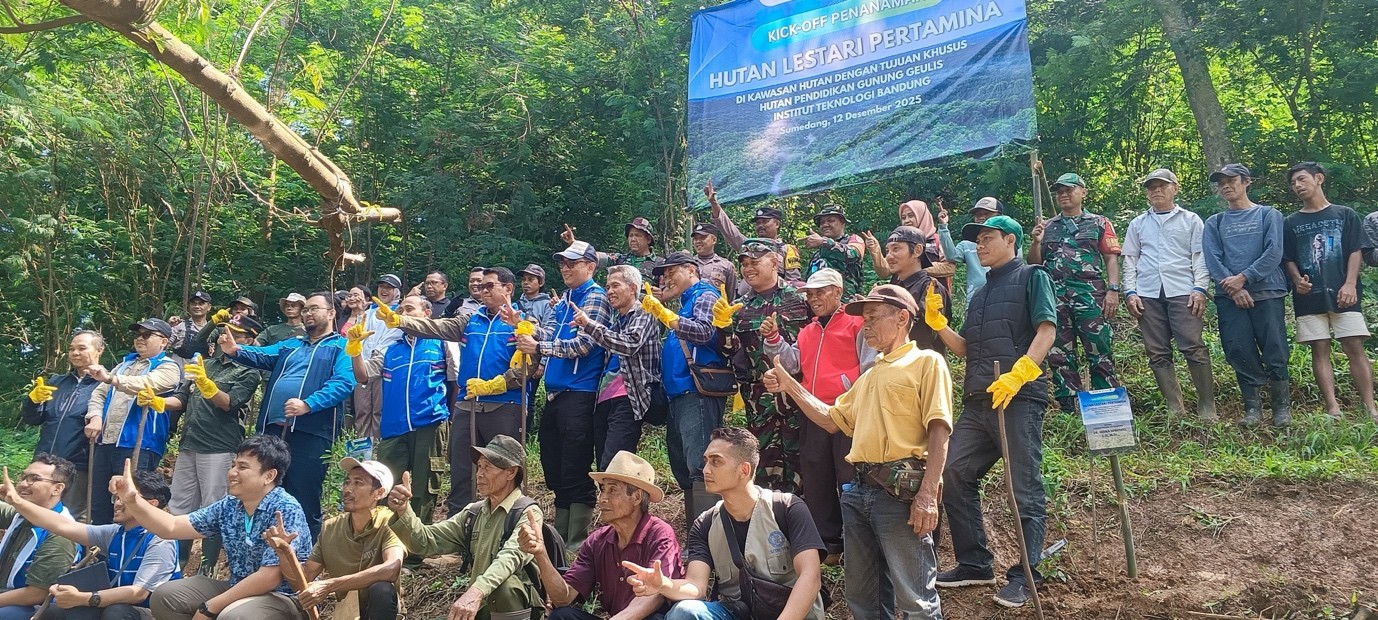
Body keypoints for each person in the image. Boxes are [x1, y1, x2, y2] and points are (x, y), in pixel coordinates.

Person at [766, 284, 953, 619]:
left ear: (902, 318)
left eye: (873, 317)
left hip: (899, 494)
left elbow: (939, 429)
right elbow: (829, 419)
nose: (865, 326)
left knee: (915, 599)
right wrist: (789, 384)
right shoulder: (868, 378)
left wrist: (928, 493)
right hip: (857, 491)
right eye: (863, 319)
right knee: (863, 597)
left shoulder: (926, 362)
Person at [928, 215, 1057, 608]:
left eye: (987, 238)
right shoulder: (981, 293)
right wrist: (938, 324)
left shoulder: (1032, 277)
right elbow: (967, 347)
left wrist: (1021, 374)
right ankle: (974, 564)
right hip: (980, 399)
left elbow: (1046, 330)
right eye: (977, 240)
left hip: (1017, 397)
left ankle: (1025, 575)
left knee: (1023, 487)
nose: (979, 245)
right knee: (954, 470)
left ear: (1011, 240)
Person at [622, 427, 826, 620]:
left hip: (791, 614)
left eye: (716, 461)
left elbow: (810, 575)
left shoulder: (787, 507)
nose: (705, 470)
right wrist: (663, 584)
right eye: (706, 461)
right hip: (737, 613)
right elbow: (696, 586)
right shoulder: (705, 524)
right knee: (684, 611)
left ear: (744, 470)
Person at [380, 269, 527, 515]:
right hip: (466, 405)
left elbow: (530, 363)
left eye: (490, 286)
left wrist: (499, 383)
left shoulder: (522, 321)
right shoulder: (470, 319)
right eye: (481, 287)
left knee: (504, 470)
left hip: (504, 405)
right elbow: (436, 326)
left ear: (508, 289)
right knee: (462, 471)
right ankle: (459, 532)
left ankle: (506, 526)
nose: (484, 291)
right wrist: (401, 321)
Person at [121, 435, 312, 620]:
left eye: (242, 467)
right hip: (237, 587)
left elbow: (270, 577)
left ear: (269, 475)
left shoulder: (285, 508)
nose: (232, 473)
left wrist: (210, 606)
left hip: (282, 597)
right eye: (233, 465)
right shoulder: (230, 505)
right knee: (166, 597)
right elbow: (171, 527)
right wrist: (133, 500)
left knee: (234, 616)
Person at [762, 268, 876, 563]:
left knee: (849, 475)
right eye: (810, 293)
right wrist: (774, 338)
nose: (814, 298)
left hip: (848, 412)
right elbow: (793, 363)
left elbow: (870, 366)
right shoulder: (808, 331)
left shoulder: (857, 323)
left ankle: (858, 542)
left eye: (820, 292)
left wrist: (856, 399)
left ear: (838, 292)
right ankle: (830, 543)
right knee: (816, 474)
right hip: (812, 410)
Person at [221, 292, 356, 538]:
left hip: (311, 431)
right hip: (273, 430)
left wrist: (309, 404)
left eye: (314, 308)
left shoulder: (341, 346)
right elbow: (262, 355)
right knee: (266, 490)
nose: (308, 313)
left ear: (331, 313)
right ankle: (264, 548)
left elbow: (344, 382)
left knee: (304, 493)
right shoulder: (292, 344)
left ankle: (306, 559)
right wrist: (235, 350)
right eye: (305, 309)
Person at [509, 241, 612, 555]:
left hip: (580, 394)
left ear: (591, 266)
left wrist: (539, 347)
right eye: (562, 263)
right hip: (555, 394)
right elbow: (549, 333)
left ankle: (576, 541)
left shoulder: (596, 297)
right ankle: (561, 536)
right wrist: (523, 326)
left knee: (575, 465)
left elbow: (585, 344)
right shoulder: (566, 298)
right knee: (554, 465)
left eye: (572, 263)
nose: (565, 268)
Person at [150, 314, 264, 572]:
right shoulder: (206, 363)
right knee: (180, 504)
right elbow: (181, 398)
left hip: (219, 445)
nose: (225, 336)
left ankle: (207, 567)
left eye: (233, 333)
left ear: (248, 339)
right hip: (189, 443)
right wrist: (157, 401)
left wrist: (207, 384)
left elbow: (229, 403)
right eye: (224, 331)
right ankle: (177, 564)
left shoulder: (248, 370)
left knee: (214, 505)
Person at [386, 435, 543, 620]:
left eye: (488, 467)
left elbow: (509, 558)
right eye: (479, 467)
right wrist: (404, 511)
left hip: (513, 610)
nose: (479, 474)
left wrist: (475, 592)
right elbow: (426, 541)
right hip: (480, 608)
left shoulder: (528, 512)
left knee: (505, 587)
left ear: (510, 473)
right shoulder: (474, 513)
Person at [1, 468, 179, 620]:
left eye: (124, 498)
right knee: (53, 612)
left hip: (150, 611)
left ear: (151, 504)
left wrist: (84, 598)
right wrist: (16, 501)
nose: (117, 503)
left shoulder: (160, 539)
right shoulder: (114, 532)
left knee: (116, 613)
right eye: (116, 498)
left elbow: (138, 593)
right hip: (110, 601)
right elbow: (62, 525)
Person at [520, 451, 680, 620]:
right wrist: (540, 553)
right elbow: (563, 598)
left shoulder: (660, 533)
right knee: (562, 616)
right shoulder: (597, 541)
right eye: (602, 490)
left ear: (637, 496)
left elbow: (654, 595)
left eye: (612, 490)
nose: (602, 498)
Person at [1283, 162, 1376, 421]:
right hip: (1308, 296)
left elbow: (1355, 250)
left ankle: (1370, 407)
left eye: (1301, 179)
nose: (1298, 186)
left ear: (1319, 178)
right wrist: (1295, 279)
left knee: (1354, 345)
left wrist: (1349, 283)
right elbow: (1287, 257)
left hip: (1344, 293)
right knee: (1319, 347)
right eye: (1293, 183)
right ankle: (1333, 408)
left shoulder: (1344, 214)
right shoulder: (1291, 222)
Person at [1121, 168, 1216, 420]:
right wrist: (1130, 291)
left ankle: (1207, 407)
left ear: (1175, 187)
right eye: (1151, 187)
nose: (1157, 191)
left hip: (1183, 289)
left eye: (1162, 185)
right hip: (1147, 293)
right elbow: (1130, 259)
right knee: (1156, 351)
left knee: (1193, 346)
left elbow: (1200, 256)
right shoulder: (1138, 224)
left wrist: (1200, 288)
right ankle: (1175, 408)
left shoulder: (1191, 220)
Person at [350, 295, 451, 527]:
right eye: (401, 308)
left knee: (423, 488)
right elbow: (363, 375)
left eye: (410, 308)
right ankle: (385, 542)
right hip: (393, 427)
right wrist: (355, 350)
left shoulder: (441, 343)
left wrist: (447, 416)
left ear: (427, 314)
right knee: (385, 485)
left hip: (430, 421)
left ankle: (415, 551)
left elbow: (455, 381)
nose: (403, 312)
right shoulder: (390, 350)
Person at [1202, 164, 1291, 427]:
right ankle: (1253, 409)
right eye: (1221, 182)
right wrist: (1235, 288)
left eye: (1231, 180)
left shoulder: (1268, 215)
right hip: (1229, 297)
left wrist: (1244, 278)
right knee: (1238, 348)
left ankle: (1281, 408)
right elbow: (1212, 258)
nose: (1226, 186)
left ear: (1246, 182)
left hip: (1267, 293)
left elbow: (1274, 252)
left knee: (1275, 347)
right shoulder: (1215, 222)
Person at [720, 239, 812, 494]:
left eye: (754, 262)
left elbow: (815, 342)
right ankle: (768, 525)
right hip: (759, 402)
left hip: (796, 398)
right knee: (763, 469)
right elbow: (730, 352)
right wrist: (723, 326)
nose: (748, 269)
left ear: (774, 262)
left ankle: (805, 525)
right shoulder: (740, 307)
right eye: (744, 264)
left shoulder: (799, 297)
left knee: (804, 465)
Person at [642, 252, 728, 521]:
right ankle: (698, 532)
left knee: (701, 464)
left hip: (696, 392)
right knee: (683, 466)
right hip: (678, 394)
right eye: (663, 275)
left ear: (691, 270)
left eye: (671, 272)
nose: (666, 279)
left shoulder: (705, 294)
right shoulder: (686, 302)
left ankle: (708, 539)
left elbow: (704, 331)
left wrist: (667, 316)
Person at [1028, 172, 1123, 414]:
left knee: (1099, 350)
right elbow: (1034, 264)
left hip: (1091, 295)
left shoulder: (1100, 222)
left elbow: (1110, 258)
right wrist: (1036, 242)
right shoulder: (1047, 226)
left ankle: (1106, 406)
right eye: (1059, 190)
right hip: (1055, 297)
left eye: (1069, 189)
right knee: (1059, 353)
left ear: (1083, 192)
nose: (1064, 194)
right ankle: (1069, 406)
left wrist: (1113, 290)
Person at [269, 458, 403, 620]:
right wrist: (284, 553)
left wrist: (330, 585)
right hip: (348, 610)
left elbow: (391, 569)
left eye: (358, 483)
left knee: (381, 590)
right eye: (347, 482)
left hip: (379, 609)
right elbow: (303, 580)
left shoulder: (391, 523)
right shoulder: (330, 528)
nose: (348, 489)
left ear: (379, 493)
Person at [84, 318, 183, 525]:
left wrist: (112, 379)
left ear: (163, 341)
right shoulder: (123, 365)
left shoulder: (169, 367)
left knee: (130, 502)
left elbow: (147, 383)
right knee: (99, 503)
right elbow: (99, 393)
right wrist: (95, 417)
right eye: (137, 334)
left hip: (140, 442)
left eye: (147, 335)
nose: (140, 338)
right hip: (106, 441)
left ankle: (130, 552)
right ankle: (98, 554)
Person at [572, 265, 662, 471]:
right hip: (604, 399)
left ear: (632, 288)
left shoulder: (645, 312)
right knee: (604, 466)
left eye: (615, 285)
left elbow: (629, 344)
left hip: (628, 397)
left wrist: (589, 325)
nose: (609, 291)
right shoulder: (617, 322)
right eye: (607, 287)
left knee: (614, 466)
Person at [23, 330, 106, 522]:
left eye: (82, 348)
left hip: (79, 463)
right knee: (34, 512)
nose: (75, 353)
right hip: (45, 461)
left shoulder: (104, 384)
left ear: (99, 350)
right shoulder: (57, 382)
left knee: (70, 518)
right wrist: (33, 400)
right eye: (71, 349)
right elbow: (34, 419)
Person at [0, 454, 81, 620]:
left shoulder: (63, 532)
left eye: (33, 479)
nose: (23, 484)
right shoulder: (21, 514)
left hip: (32, 606)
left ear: (57, 489)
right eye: (23, 477)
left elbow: (37, 593)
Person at [704, 180, 803, 284]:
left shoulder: (787, 250)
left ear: (777, 224)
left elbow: (794, 282)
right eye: (758, 223)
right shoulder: (748, 246)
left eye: (765, 221)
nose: (760, 226)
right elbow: (729, 230)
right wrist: (714, 203)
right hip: (749, 298)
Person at [353, 275, 405, 440]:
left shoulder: (401, 312)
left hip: (387, 363)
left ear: (397, 291)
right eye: (382, 286)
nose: (384, 290)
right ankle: (360, 449)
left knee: (379, 409)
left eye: (389, 287)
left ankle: (377, 446)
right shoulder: (368, 312)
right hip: (364, 362)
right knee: (362, 409)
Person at [885, 226, 951, 354]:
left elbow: (926, 335)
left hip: (925, 366)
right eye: (887, 251)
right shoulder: (896, 289)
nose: (889, 256)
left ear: (917, 250)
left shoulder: (931, 287)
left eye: (896, 249)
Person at [863, 201, 955, 285]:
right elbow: (885, 272)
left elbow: (950, 268)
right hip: (901, 297)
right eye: (903, 217)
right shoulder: (899, 242)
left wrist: (915, 267)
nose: (907, 220)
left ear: (922, 216)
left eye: (911, 216)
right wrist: (875, 251)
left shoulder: (937, 240)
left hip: (931, 296)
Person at [936, 197, 1001, 298]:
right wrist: (943, 226)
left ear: (999, 216)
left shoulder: (1007, 241)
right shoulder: (967, 244)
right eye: (978, 214)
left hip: (1001, 297)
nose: (982, 217)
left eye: (987, 214)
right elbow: (951, 256)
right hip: (975, 300)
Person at [564, 218, 663, 281]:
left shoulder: (660, 263)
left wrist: (661, 296)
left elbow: (669, 290)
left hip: (648, 312)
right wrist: (573, 243)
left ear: (648, 239)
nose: (633, 239)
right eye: (630, 235)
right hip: (620, 312)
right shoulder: (620, 259)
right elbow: (593, 255)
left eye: (638, 235)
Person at [803, 204, 867, 298]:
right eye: (822, 222)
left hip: (845, 303)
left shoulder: (853, 240)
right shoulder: (817, 253)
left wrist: (824, 242)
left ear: (842, 222)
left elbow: (854, 254)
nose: (825, 225)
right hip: (818, 304)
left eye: (831, 220)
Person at [689, 223, 737, 296]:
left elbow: (731, 297)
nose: (698, 241)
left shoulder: (727, 266)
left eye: (702, 238)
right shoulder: (688, 265)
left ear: (714, 240)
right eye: (696, 239)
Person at [167, 290, 212, 361]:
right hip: (180, 369)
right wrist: (168, 327)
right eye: (193, 303)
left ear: (209, 307)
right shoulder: (179, 326)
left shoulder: (213, 330)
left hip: (203, 369)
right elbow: (163, 344)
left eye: (201, 303)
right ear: (189, 306)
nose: (197, 306)